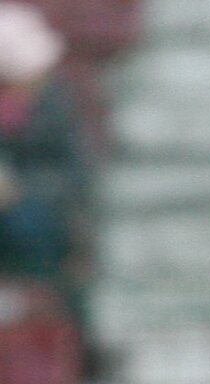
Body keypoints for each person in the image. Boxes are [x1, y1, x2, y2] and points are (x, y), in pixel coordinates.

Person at [0, 5, 93, 336]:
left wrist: (18, 191)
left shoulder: (54, 105)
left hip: (38, 218)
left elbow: (75, 173)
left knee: (30, 226)